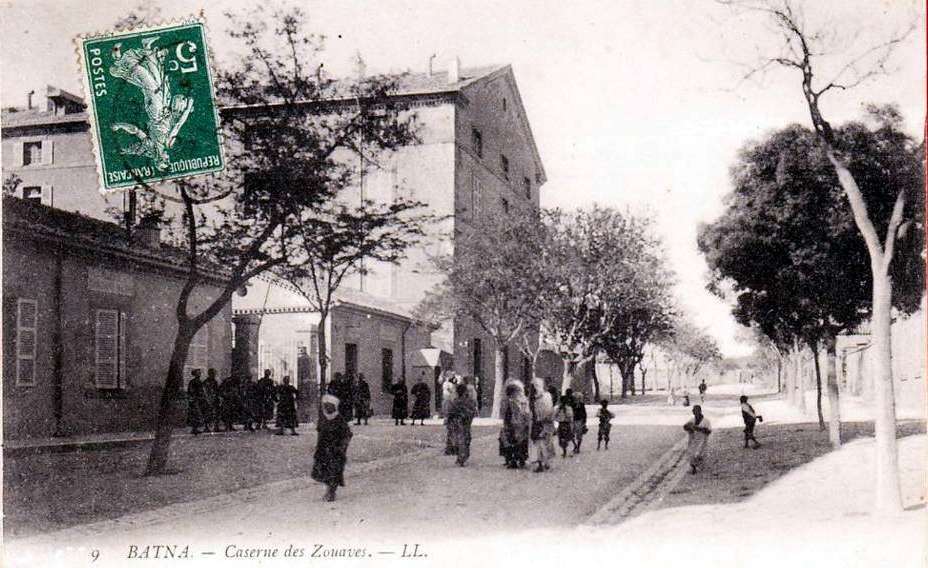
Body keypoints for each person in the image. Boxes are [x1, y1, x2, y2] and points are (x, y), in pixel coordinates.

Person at [311, 394, 353, 502]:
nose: (326, 408)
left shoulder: (339, 420)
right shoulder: (323, 419)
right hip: (324, 449)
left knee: (334, 471)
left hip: (336, 450)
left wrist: (343, 447)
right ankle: (328, 490)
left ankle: (331, 492)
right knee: (325, 471)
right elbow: (320, 433)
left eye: (329, 406)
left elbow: (347, 435)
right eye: (325, 405)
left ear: (334, 406)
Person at [499, 380, 530, 469]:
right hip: (517, 424)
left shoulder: (511, 401)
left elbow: (506, 414)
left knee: (511, 442)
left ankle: (513, 460)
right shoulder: (518, 401)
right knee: (517, 442)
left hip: (513, 424)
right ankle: (519, 459)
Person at [447, 383, 478, 466]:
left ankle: (461, 457)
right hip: (463, 423)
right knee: (465, 440)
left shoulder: (456, 401)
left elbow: (450, 412)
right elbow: (472, 412)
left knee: (461, 440)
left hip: (459, 423)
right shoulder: (467, 401)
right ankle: (462, 458)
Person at [529, 377, 555, 473]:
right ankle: (541, 462)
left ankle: (545, 461)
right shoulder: (533, 399)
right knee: (538, 443)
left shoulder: (546, 396)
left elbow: (549, 410)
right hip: (536, 423)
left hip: (544, 423)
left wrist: (543, 419)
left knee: (544, 442)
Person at [683, 405, 712, 474]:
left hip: (702, 440)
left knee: (699, 454)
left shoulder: (706, 421)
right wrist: (688, 427)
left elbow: (709, 431)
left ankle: (696, 467)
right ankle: (693, 468)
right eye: (693, 411)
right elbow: (685, 427)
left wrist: (698, 428)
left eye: (695, 411)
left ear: (700, 411)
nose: (694, 412)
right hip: (693, 440)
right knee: (691, 454)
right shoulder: (692, 420)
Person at [442, 375, 459, 455]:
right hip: (452, 414)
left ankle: (451, 448)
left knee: (451, 432)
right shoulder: (450, 396)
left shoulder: (448, 397)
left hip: (452, 414)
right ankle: (452, 448)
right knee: (452, 432)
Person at [186, 369, 207, 435]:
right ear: (195, 374)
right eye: (198, 373)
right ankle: (194, 429)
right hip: (195, 400)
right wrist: (194, 397)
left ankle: (196, 428)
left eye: (200, 373)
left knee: (198, 414)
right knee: (195, 414)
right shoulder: (193, 382)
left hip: (199, 400)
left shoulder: (199, 381)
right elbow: (191, 391)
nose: (199, 374)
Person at [202, 368, 221, 433]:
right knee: (208, 414)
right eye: (213, 373)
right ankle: (207, 427)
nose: (214, 375)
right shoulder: (206, 382)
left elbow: (217, 391)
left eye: (214, 373)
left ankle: (216, 426)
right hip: (209, 400)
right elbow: (205, 391)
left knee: (216, 413)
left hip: (215, 399)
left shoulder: (215, 381)